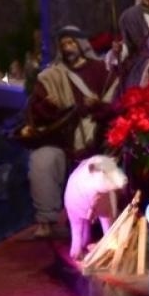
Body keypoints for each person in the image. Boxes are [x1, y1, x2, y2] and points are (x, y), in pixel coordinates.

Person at [18, 26, 117, 239]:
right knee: (42, 160)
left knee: (113, 159)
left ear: (81, 45)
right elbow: (34, 111)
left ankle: (109, 219)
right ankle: (47, 222)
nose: (67, 48)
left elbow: (115, 103)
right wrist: (47, 105)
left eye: (71, 43)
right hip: (63, 139)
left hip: (98, 136)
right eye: (63, 44)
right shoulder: (51, 76)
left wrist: (98, 105)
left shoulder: (102, 70)